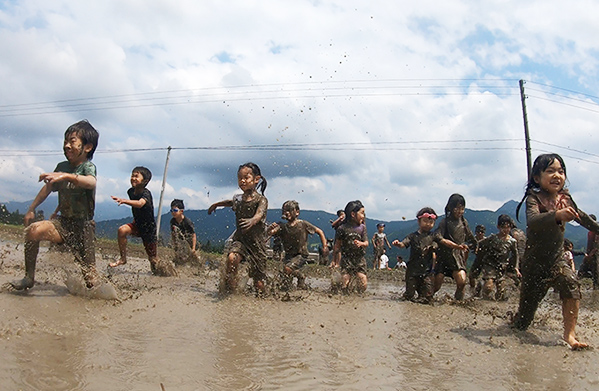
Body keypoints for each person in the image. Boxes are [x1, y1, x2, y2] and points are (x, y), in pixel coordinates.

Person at [512, 153, 599, 350]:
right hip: (534, 264)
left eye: (561, 171)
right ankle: (516, 319)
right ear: (537, 178)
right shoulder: (534, 198)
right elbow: (533, 221)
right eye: (550, 171)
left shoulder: (565, 198)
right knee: (523, 323)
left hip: (556, 259)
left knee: (571, 284)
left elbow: (582, 217)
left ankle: (570, 336)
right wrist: (557, 214)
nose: (557, 175)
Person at [10, 120, 100, 290]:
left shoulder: (88, 167)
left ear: (87, 147)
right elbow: (48, 188)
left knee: (92, 283)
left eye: (72, 141)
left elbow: (91, 183)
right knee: (33, 231)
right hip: (63, 223)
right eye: (65, 141)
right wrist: (31, 208)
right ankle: (29, 278)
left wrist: (66, 176)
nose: (66, 146)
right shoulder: (62, 166)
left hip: (84, 228)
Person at [208, 162, 269, 294]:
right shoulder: (238, 199)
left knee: (259, 283)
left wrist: (253, 220)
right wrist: (217, 204)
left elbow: (259, 213)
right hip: (240, 240)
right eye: (239, 178)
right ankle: (231, 292)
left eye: (246, 177)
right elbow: (231, 202)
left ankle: (265, 300)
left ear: (256, 179)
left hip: (257, 245)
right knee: (232, 258)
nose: (242, 181)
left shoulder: (261, 200)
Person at [110, 167, 176, 276]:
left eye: (136, 176)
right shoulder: (130, 191)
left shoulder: (146, 193)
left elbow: (140, 204)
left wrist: (124, 201)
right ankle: (123, 259)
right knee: (122, 230)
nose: (133, 178)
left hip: (148, 230)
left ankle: (167, 274)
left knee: (153, 259)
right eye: (132, 175)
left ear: (145, 181)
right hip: (137, 224)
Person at [392, 207, 467, 303]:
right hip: (412, 272)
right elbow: (403, 244)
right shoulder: (412, 236)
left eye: (431, 222)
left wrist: (457, 246)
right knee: (409, 295)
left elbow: (445, 241)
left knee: (427, 297)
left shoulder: (434, 236)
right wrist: (398, 244)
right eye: (425, 221)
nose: (428, 224)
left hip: (426, 272)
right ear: (419, 221)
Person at [267, 200, 329, 290]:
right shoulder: (282, 226)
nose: (286, 213)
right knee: (285, 278)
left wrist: (325, 246)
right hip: (288, 255)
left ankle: (299, 279)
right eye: (284, 211)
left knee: (287, 269)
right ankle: (299, 279)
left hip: (301, 254)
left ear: (297, 212)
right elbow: (270, 233)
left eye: (289, 210)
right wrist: (270, 228)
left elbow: (319, 231)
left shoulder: (303, 224)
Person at [433, 193, 477, 300]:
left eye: (462, 209)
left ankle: (458, 303)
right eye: (457, 208)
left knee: (461, 282)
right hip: (443, 257)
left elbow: (470, 237)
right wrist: (453, 245)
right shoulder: (445, 222)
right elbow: (437, 236)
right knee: (436, 286)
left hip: (457, 258)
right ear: (451, 208)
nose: (460, 211)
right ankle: (426, 298)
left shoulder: (464, 222)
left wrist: (475, 246)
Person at [469, 215, 520, 301]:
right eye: (504, 227)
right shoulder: (492, 238)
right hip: (490, 265)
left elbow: (515, 255)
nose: (506, 230)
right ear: (498, 227)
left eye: (508, 227)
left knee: (501, 293)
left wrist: (516, 267)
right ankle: (483, 303)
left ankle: (494, 306)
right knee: (489, 287)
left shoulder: (512, 242)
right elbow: (481, 243)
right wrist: (475, 248)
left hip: (502, 267)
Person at [331, 200, 368, 293]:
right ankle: (343, 292)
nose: (363, 216)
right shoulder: (342, 228)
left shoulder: (362, 228)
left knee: (363, 282)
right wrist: (333, 261)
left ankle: (358, 295)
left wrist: (361, 243)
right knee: (345, 280)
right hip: (347, 258)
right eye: (362, 213)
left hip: (360, 259)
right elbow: (337, 246)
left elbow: (367, 243)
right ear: (353, 214)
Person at [169, 199, 199, 265]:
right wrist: (175, 244)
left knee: (193, 259)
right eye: (171, 210)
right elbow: (173, 234)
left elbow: (193, 235)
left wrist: (193, 248)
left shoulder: (187, 222)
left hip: (190, 242)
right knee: (180, 257)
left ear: (181, 211)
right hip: (181, 242)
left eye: (175, 210)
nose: (173, 212)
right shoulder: (172, 221)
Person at [578, 214, 598, 288]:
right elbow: (589, 245)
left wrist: (591, 254)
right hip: (590, 256)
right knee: (581, 273)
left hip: (595, 257)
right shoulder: (590, 232)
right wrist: (587, 254)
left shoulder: (596, 232)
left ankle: (595, 294)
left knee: (596, 278)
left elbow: (596, 245)